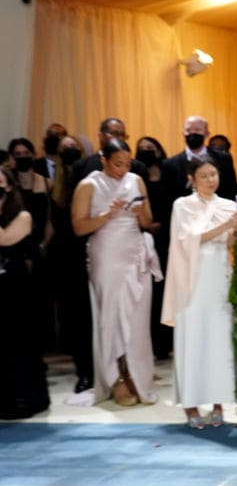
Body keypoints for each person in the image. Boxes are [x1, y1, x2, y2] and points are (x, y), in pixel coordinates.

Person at [70, 139, 162, 406]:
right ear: (103, 160)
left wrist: (140, 213)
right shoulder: (89, 184)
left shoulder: (136, 181)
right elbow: (78, 227)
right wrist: (106, 215)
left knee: (137, 317)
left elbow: (149, 222)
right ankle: (115, 377)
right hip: (106, 253)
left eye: (127, 163)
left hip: (135, 251)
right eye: (117, 164)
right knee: (111, 315)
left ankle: (135, 373)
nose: (123, 169)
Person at [161, 155, 237, 429]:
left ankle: (218, 403)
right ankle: (190, 404)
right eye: (204, 176)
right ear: (192, 179)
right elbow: (189, 239)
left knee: (219, 341)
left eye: (214, 174)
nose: (211, 180)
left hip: (219, 278)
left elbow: (230, 243)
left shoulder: (227, 205)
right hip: (192, 280)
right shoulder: (182, 205)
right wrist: (225, 226)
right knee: (193, 339)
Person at [0, 167, 51, 419]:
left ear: (8, 186)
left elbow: (5, 239)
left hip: (15, 289)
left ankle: (23, 400)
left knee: (17, 343)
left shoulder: (22, 216)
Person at [46, 135, 93, 392]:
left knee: (94, 316)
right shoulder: (55, 184)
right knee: (76, 318)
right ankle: (83, 372)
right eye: (64, 148)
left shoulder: (89, 175)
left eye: (72, 147)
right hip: (66, 257)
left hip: (91, 250)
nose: (68, 151)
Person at [136, 137, 173, 361]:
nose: (147, 152)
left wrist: (161, 224)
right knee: (145, 290)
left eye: (151, 148)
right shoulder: (135, 177)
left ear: (159, 151)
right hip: (142, 237)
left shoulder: (168, 172)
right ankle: (146, 341)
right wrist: (147, 225)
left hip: (167, 237)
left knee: (165, 290)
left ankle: (164, 343)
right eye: (142, 150)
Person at [162, 116, 237, 204]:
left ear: (206, 133)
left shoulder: (224, 159)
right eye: (189, 130)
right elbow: (166, 199)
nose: (193, 133)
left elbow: (231, 190)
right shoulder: (170, 164)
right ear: (183, 134)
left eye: (197, 130)